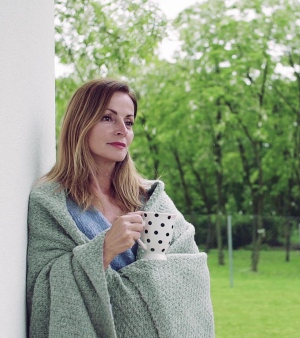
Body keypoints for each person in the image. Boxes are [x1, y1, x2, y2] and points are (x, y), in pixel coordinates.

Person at [26, 78, 215, 337]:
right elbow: (42, 288)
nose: (122, 130)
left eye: (128, 122)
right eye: (107, 118)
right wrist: (102, 250)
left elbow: (189, 271)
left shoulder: (151, 198)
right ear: (80, 124)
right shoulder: (51, 203)